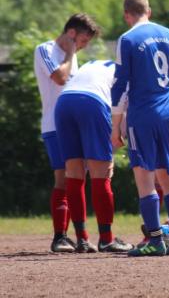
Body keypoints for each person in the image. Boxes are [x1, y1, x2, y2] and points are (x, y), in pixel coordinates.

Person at [111, 0, 169, 257]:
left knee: (144, 176)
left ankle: (154, 240)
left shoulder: (127, 39)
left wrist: (115, 126)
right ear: (148, 11)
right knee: (168, 175)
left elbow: (119, 86)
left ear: (127, 15)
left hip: (143, 114)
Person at [34, 13, 99, 253]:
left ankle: (81, 237)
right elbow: (60, 78)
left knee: (77, 179)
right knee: (63, 179)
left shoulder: (75, 59)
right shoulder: (45, 50)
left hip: (75, 125)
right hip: (54, 125)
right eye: (83, 39)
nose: (84, 45)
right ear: (72, 33)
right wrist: (71, 53)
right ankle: (59, 236)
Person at [54, 59, 133, 253]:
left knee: (73, 173)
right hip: (93, 102)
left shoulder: (92, 63)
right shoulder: (128, 71)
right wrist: (114, 148)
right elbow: (124, 111)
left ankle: (82, 239)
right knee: (101, 175)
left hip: (64, 102)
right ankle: (106, 239)